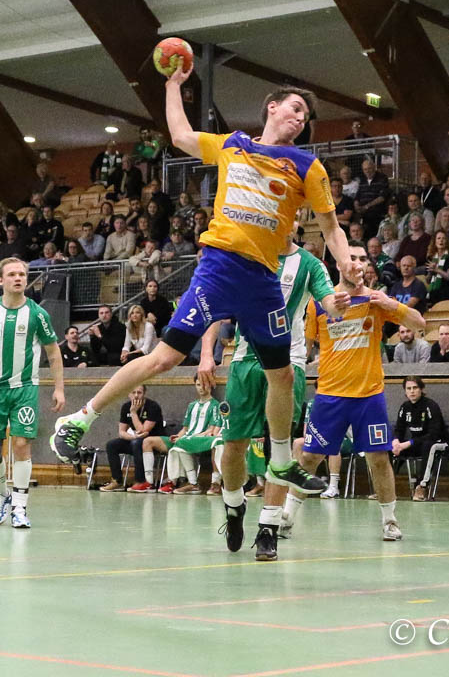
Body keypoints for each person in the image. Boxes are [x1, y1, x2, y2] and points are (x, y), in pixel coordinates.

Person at [49, 72, 359, 560]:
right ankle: (80, 418)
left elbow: (332, 226)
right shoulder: (232, 145)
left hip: (262, 280)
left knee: (282, 374)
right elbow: (178, 135)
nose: (301, 118)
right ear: (272, 107)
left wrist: (345, 266)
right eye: (295, 108)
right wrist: (173, 84)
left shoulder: (307, 166)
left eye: (307, 115)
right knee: (164, 359)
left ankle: (281, 461)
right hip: (218, 270)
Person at [209, 223, 344, 555]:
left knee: (279, 452)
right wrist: (205, 356)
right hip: (244, 360)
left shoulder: (310, 264)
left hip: (287, 363)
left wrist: (338, 303)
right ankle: (234, 506)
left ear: (295, 224)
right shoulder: (249, 256)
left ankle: (268, 528)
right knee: (233, 446)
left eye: (292, 214)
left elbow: (329, 302)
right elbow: (217, 303)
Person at [281, 241, 425, 547]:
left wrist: (392, 306)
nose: (358, 263)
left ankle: (389, 520)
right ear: (340, 263)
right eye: (352, 258)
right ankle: (287, 516)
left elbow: (419, 324)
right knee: (309, 457)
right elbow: (304, 348)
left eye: (363, 259)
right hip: (329, 395)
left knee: (378, 459)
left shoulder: (376, 301)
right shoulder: (320, 303)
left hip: (369, 396)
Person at [0, 259, 64, 528]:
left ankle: (19, 507)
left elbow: (53, 352)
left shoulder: (38, 314)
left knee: (21, 444)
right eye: (12, 274)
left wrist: (59, 388)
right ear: (1, 280)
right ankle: (3, 497)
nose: (18, 278)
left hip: (25, 388)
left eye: (22, 274)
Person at [157, 376, 223, 495]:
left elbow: (211, 430)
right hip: (188, 438)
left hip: (204, 439)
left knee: (213, 443)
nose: (201, 388)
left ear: (210, 385)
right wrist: (178, 436)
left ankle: (215, 483)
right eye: (198, 385)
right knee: (177, 445)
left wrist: (192, 437)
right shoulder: (192, 405)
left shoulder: (215, 405)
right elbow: (185, 429)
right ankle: (191, 483)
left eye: (204, 384)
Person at [100, 385, 166, 493]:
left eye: (139, 393)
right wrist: (133, 436)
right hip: (136, 440)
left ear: (144, 394)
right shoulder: (126, 407)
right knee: (111, 445)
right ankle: (117, 481)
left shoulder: (153, 406)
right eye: (133, 392)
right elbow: (122, 432)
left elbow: (143, 431)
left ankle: (141, 481)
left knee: (137, 443)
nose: (136, 395)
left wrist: (134, 413)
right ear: (128, 394)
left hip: (153, 443)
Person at [392, 377, 447, 502]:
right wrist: (396, 441)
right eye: (408, 388)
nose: (412, 391)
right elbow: (399, 429)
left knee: (429, 446)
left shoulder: (430, 406)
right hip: (416, 442)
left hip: (438, 442)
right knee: (390, 448)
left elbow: (434, 434)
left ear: (421, 389)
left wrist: (408, 443)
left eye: (415, 388)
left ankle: (422, 486)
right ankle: (385, 487)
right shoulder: (405, 407)